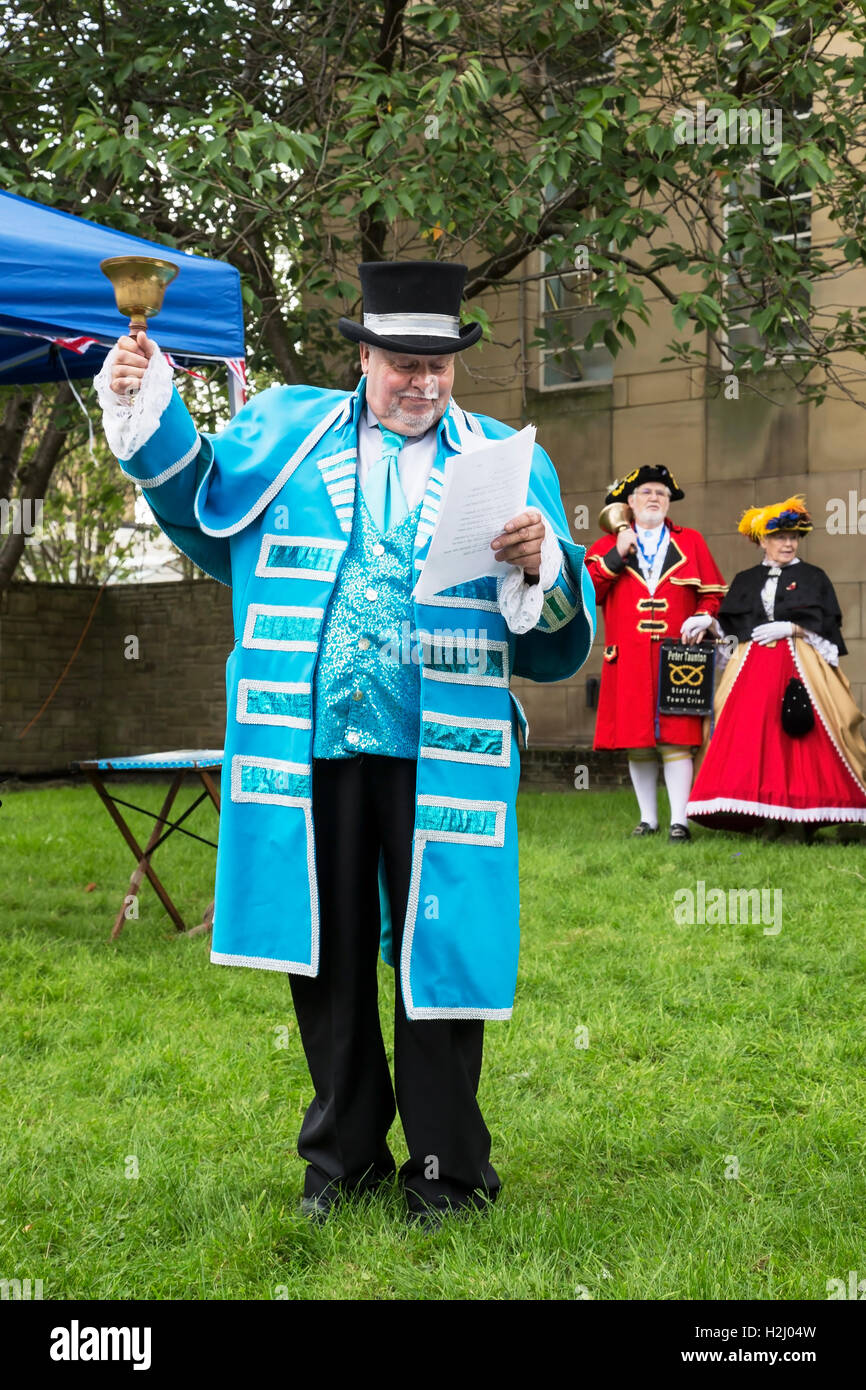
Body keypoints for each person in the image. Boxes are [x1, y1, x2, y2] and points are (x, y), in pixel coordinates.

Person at [93, 259, 596, 1228]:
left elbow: (555, 629)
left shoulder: (503, 457)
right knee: (322, 959)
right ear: (362, 355)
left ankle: (446, 1167)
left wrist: (539, 563)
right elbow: (204, 507)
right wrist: (143, 404)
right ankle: (343, 1157)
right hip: (311, 740)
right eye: (402, 361)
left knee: (434, 954)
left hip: (438, 748)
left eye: (437, 363)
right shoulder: (288, 433)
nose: (421, 380)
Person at [687, 495, 866, 833]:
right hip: (752, 668)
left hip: (803, 666)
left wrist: (795, 628)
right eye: (780, 537)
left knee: (811, 734)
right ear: (763, 541)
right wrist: (707, 623)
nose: (788, 543)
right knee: (754, 737)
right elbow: (733, 629)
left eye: (794, 537)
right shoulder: (745, 579)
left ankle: (806, 817)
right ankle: (764, 814)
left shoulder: (814, 576)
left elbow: (828, 623)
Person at [585, 466, 726, 841]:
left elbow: (712, 594)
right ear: (629, 502)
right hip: (627, 657)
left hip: (680, 658)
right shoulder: (604, 547)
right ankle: (648, 819)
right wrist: (616, 556)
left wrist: (703, 615)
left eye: (661, 493)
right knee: (638, 741)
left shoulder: (691, 541)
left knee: (678, 738)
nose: (654, 498)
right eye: (646, 492)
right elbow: (590, 593)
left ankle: (681, 820)